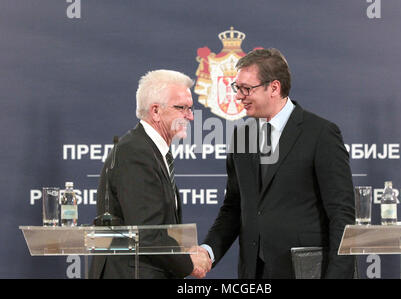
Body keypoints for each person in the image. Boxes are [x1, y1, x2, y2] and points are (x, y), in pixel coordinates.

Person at [201, 48, 355, 278]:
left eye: (246, 88)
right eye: (237, 88)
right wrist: (208, 251)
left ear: (274, 87)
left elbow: (341, 214)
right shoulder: (242, 136)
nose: (239, 96)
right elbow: (234, 207)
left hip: (305, 271)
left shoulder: (320, 133)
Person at [89, 69, 211, 279]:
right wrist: (189, 263)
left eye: (191, 109)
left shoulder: (149, 150)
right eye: (182, 108)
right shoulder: (136, 152)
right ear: (155, 111)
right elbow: (147, 232)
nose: (190, 116)